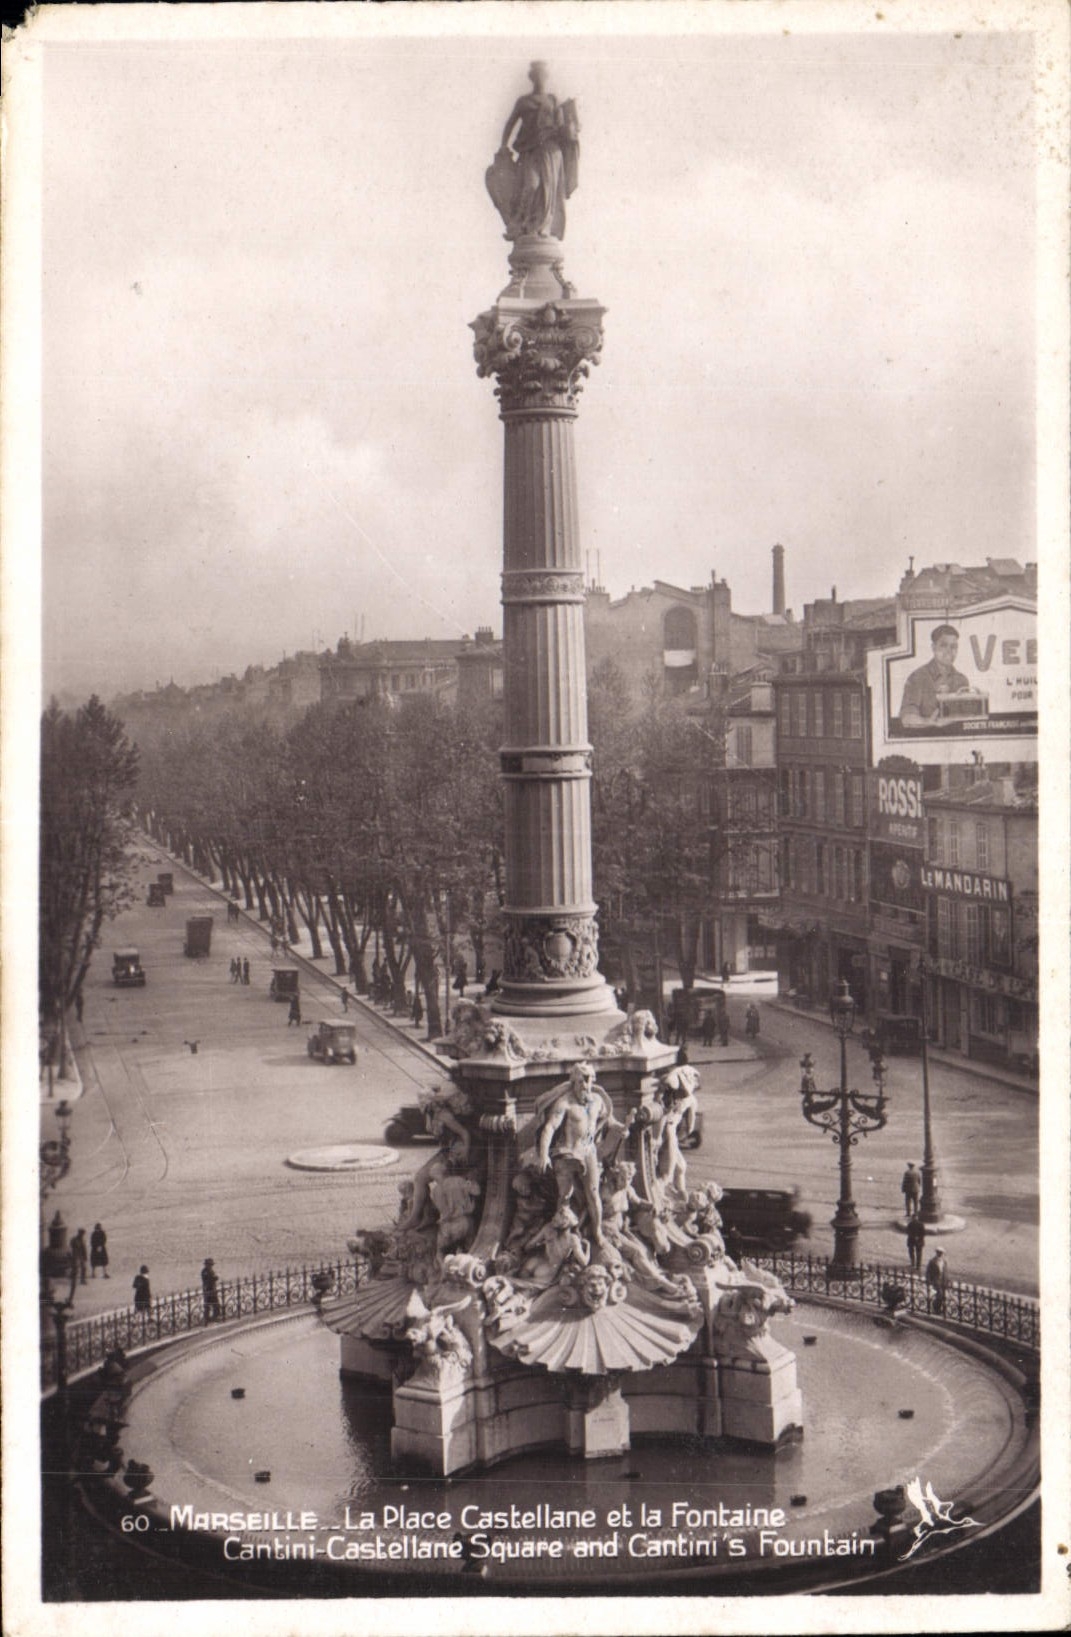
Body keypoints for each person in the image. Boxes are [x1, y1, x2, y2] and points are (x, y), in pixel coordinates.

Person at [534, 1061, 624, 1247]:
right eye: (580, 1081)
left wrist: (621, 1129)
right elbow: (549, 1128)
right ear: (573, 1083)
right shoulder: (564, 1103)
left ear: (593, 1080)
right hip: (567, 1154)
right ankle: (563, 1235)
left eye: (588, 1080)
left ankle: (597, 1232)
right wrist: (543, 1154)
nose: (584, 1085)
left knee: (593, 1193)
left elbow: (610, 1121)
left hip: (588, 1152)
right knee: (565, 1196)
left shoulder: (598, 1101)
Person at [491, 61, 580, 240]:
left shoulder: (553, 101)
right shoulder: (524, 102)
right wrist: (503, 145)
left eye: (543, 76)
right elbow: (510, 123)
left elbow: (563, 127)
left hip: (550, 151)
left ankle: (542, 228)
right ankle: (523, 224)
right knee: (531, 185)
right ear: (532, 78)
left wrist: (571, 128)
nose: (541, 80)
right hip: (530, 150)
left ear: (545, 78)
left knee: (548, 190)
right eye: (537, 76)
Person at [898, 624, 971, 728]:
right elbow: (907, 718)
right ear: (933, 647)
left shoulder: (962, 680)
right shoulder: (917, 678)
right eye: (943, 645)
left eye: (953, 647)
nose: (949, 651)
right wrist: (929, 723)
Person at [925, 1247, 950, 1314]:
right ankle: (935, 1307)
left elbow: (946, 1271)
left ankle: (938, 1308)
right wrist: (929, 1280)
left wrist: (947, 1280)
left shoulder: (944, 1261)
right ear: (936, 1253)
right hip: (936, 1281)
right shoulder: (932, 1261)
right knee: (940, 1295)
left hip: (943, 1281)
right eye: (939, 1253)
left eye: (941, 1253)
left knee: (943, 1296)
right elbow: (928, 1271)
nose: (940, 1254)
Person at [201, 1257, 221, 1322]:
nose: (210, 1266)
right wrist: (215, 1278)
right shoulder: (205, 1271)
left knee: (215, 1304)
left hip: (211, 1289)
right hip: (208, 1289)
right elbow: (209, 1279)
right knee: (209, 1304)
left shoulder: (209, 1271)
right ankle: (208, 1317)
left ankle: (214, 1316)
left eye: (211, 1265)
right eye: (210, 1264)